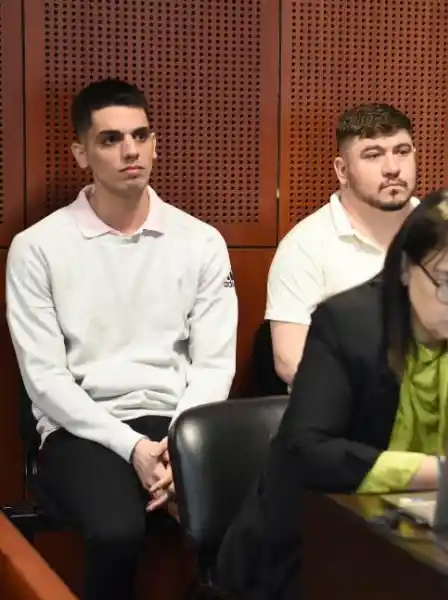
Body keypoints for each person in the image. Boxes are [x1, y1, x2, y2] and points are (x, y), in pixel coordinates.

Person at [213, 188, 448, 600]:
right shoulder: (348, 324)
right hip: (315, 544)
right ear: (404, 268)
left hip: (431, 544)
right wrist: (446, 472)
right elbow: (308, 450)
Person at [5, 78, 238, 600]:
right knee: (117, 531)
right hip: (83, 428)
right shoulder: (37, 247)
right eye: (110, 139)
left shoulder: (200, 241)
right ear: (81, 153)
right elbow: (45, 379)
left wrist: (182, 447)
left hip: (179, 420)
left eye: (141, 135)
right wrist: (133, 448)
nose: (131, 151)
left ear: (155, 142)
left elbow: (214, 364)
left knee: (253, 520)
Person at [266, 102, 419, 386]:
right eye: (373, 155)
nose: (392, 168)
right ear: (342, 170)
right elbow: (290, 360)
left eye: (402, 151)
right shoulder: (305, 245)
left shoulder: (442, 231)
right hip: (349, 416)